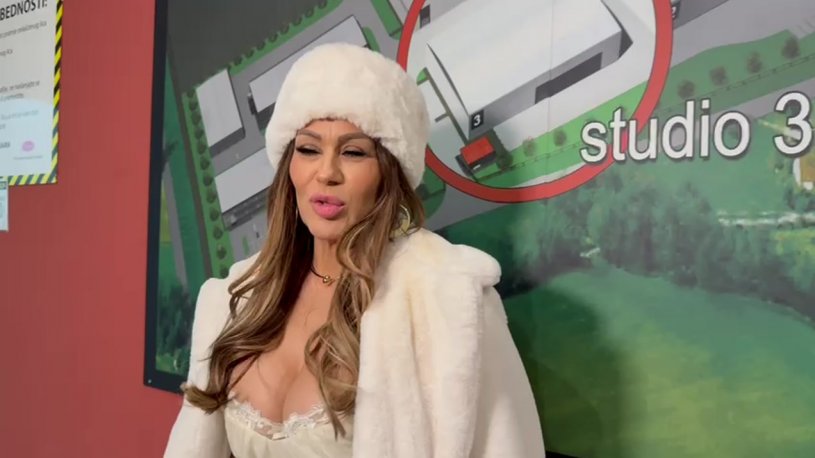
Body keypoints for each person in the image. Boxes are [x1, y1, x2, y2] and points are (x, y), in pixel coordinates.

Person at [164, 42, 545, 458]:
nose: (327, 173)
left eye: (353, 152)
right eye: (308, 149)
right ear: (289, 165)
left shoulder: (450, 301)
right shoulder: (235, 297)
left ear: (388, 172)